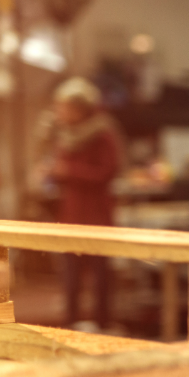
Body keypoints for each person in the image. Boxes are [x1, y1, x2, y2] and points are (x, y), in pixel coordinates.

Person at [41, 77, 122, 328]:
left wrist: (68, 171)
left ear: (79, 108)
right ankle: (70, 325)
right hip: (71, 214)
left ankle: (103, 326)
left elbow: (107, 172)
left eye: (62, 107)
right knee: (71, 278)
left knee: (100, 278)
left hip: (96, 214)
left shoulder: (103, 133)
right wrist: (51, 172)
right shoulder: (65, 135)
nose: (58, 113)